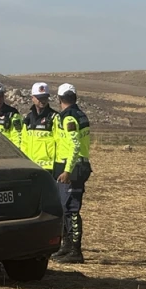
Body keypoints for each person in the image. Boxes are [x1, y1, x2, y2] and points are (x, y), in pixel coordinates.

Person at [52, 83, 92, 264]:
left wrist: (67, 170)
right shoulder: (80, 115)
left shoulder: (68, 118)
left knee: (72, 210)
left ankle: (75, 250)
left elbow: (75, 145)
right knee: (66, 209)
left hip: (74, 168)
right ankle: (67, 247)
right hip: (78, 165)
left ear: (59, 99)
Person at [20, 82, 62, 173]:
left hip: (48, 167)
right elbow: (24, 143)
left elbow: (60, 143)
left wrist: (59, 166)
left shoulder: (54, 117)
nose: (43, 101)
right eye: (39, 98)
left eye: (45, 97)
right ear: (32, 98)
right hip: (30, 167)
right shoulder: (28, 118)